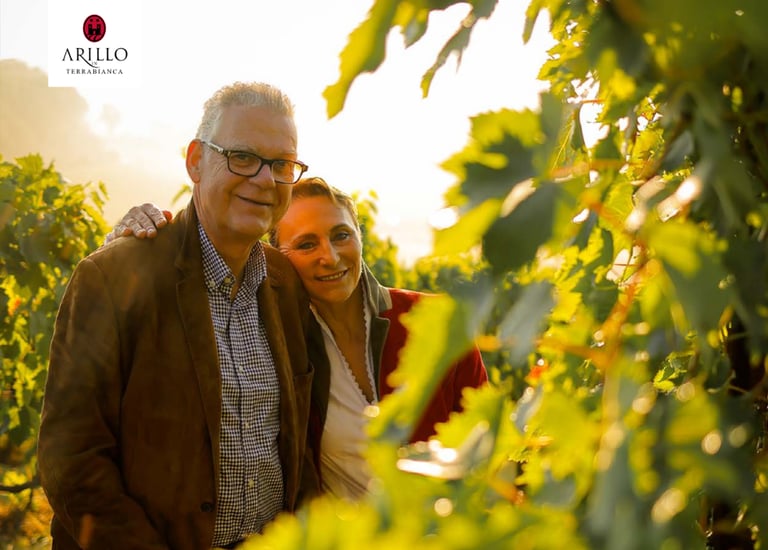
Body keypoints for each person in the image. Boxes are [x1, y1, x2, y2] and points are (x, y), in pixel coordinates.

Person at [37, 82, 323, 550]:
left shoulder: (286, 284)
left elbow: (294, 446)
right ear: (195, 161)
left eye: (281, 164)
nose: (266, 180)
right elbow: (71, 460)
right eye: (242, 157)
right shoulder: (113, 277)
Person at [109, 177, 488, 501]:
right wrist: (138, 234)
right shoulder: (275, 346)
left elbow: (488, 446)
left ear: (359, 237)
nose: (331, 256)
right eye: (306, 244)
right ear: (276, 257)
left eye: (341, 235)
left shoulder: (438, 322)